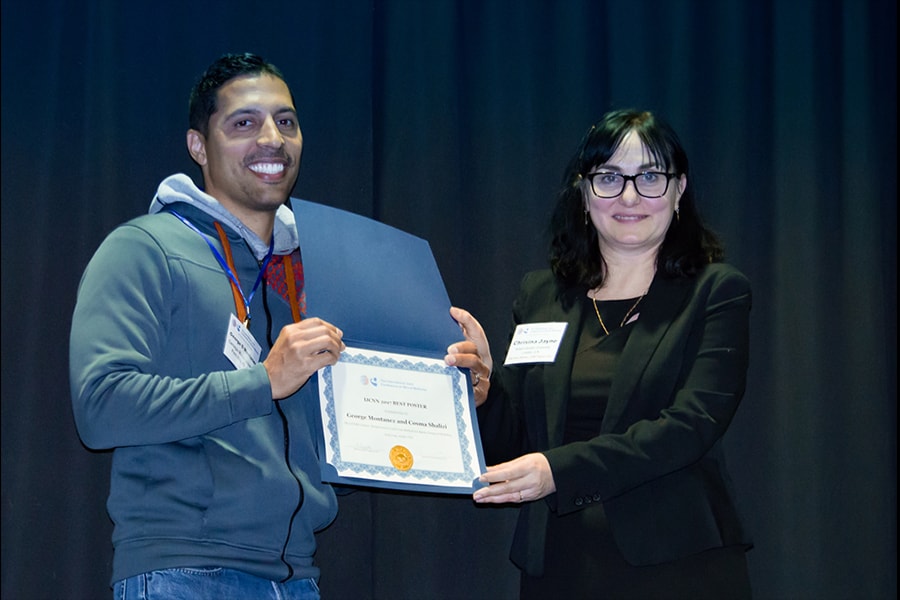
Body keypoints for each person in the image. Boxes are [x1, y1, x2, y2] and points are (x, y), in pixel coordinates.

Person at [70, 53, 349, 599]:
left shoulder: (308, 276)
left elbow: (337, 435)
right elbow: (101, 406)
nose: (272, 138)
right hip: (186, 573)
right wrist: (261, 381)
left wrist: (458, 392)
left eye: (286, 121)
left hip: (297, 579)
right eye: (244, 123)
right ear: (199, 146)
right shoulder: (144, 248)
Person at [445, 109, 753, 599]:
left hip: (677, 566)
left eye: (650, 176)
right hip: (560, 568)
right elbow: (522, 440)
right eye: (609, 177)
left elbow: (689, 427)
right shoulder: (541, 296)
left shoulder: (716, 292)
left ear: (679, 191)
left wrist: (558, 472)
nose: (629, 195)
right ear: (584, 193)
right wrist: (484, 395)